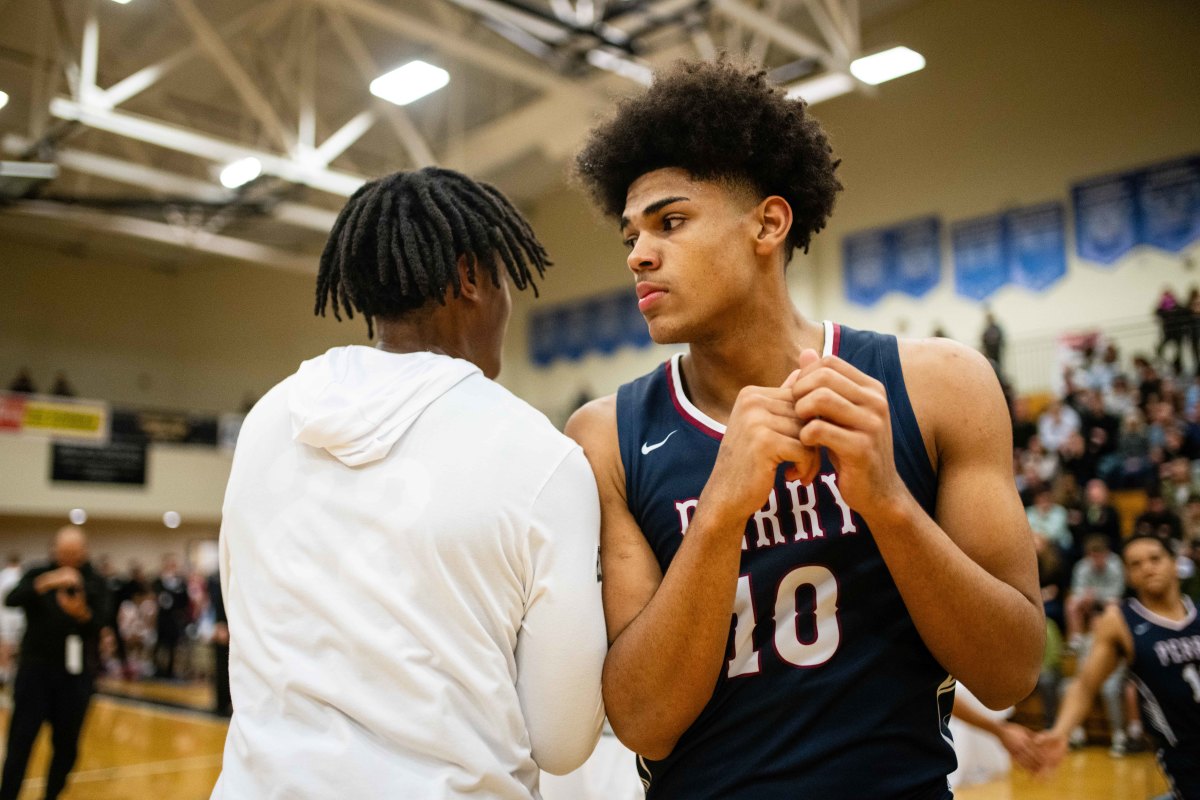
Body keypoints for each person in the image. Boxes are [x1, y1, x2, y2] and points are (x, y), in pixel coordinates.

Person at [567, 58, 1043, 798]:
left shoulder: (941, 385)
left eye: (671, 220)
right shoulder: (605, 436)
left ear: (769, 221)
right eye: (629, 234)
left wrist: (887, 500)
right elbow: (643, 722)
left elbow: (1010, 670)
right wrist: (720, 516)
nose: (638, 254)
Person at [211, 167, 607, 799]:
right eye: (506, 281)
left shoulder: (268, 419)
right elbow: (561, 742)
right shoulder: (540, 455)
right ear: (471, 279)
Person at [1035, 534, 1200, 797]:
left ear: (1174, 563)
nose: (1147, 568)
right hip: (1186, 759)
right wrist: (1060, 732)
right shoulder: (1122, 622)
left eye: (1155, 559)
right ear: (1127, 575)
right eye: (1135, 564)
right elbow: (1085, 685)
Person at [0, 527, 107, 800]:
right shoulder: (38, 573)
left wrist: (80, 612)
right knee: (20, 742)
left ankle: (51, 796)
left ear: (84, 552)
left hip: (75, 676)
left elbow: (101, 623)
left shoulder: (94, 581)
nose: (69, 558)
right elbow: (12, 599)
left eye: (75, 553)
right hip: (34, 671)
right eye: (64, 552)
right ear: (54, 550)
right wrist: (48, 582)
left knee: (67, 745)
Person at [152, 554, 189, 679]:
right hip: (162, 618)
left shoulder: (181, 583)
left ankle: (170, 670)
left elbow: (185, 600)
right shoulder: (158, 581)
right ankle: (157, 668)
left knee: (173, 645)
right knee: (160, 644)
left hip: (174, 618)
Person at [0, 554, 24, 687]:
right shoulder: (18, 575)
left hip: (6, 617)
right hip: (15, 617)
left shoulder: (4, 576)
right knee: (11, 649)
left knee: (6, 648)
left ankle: (5, 676)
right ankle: (7, 678)